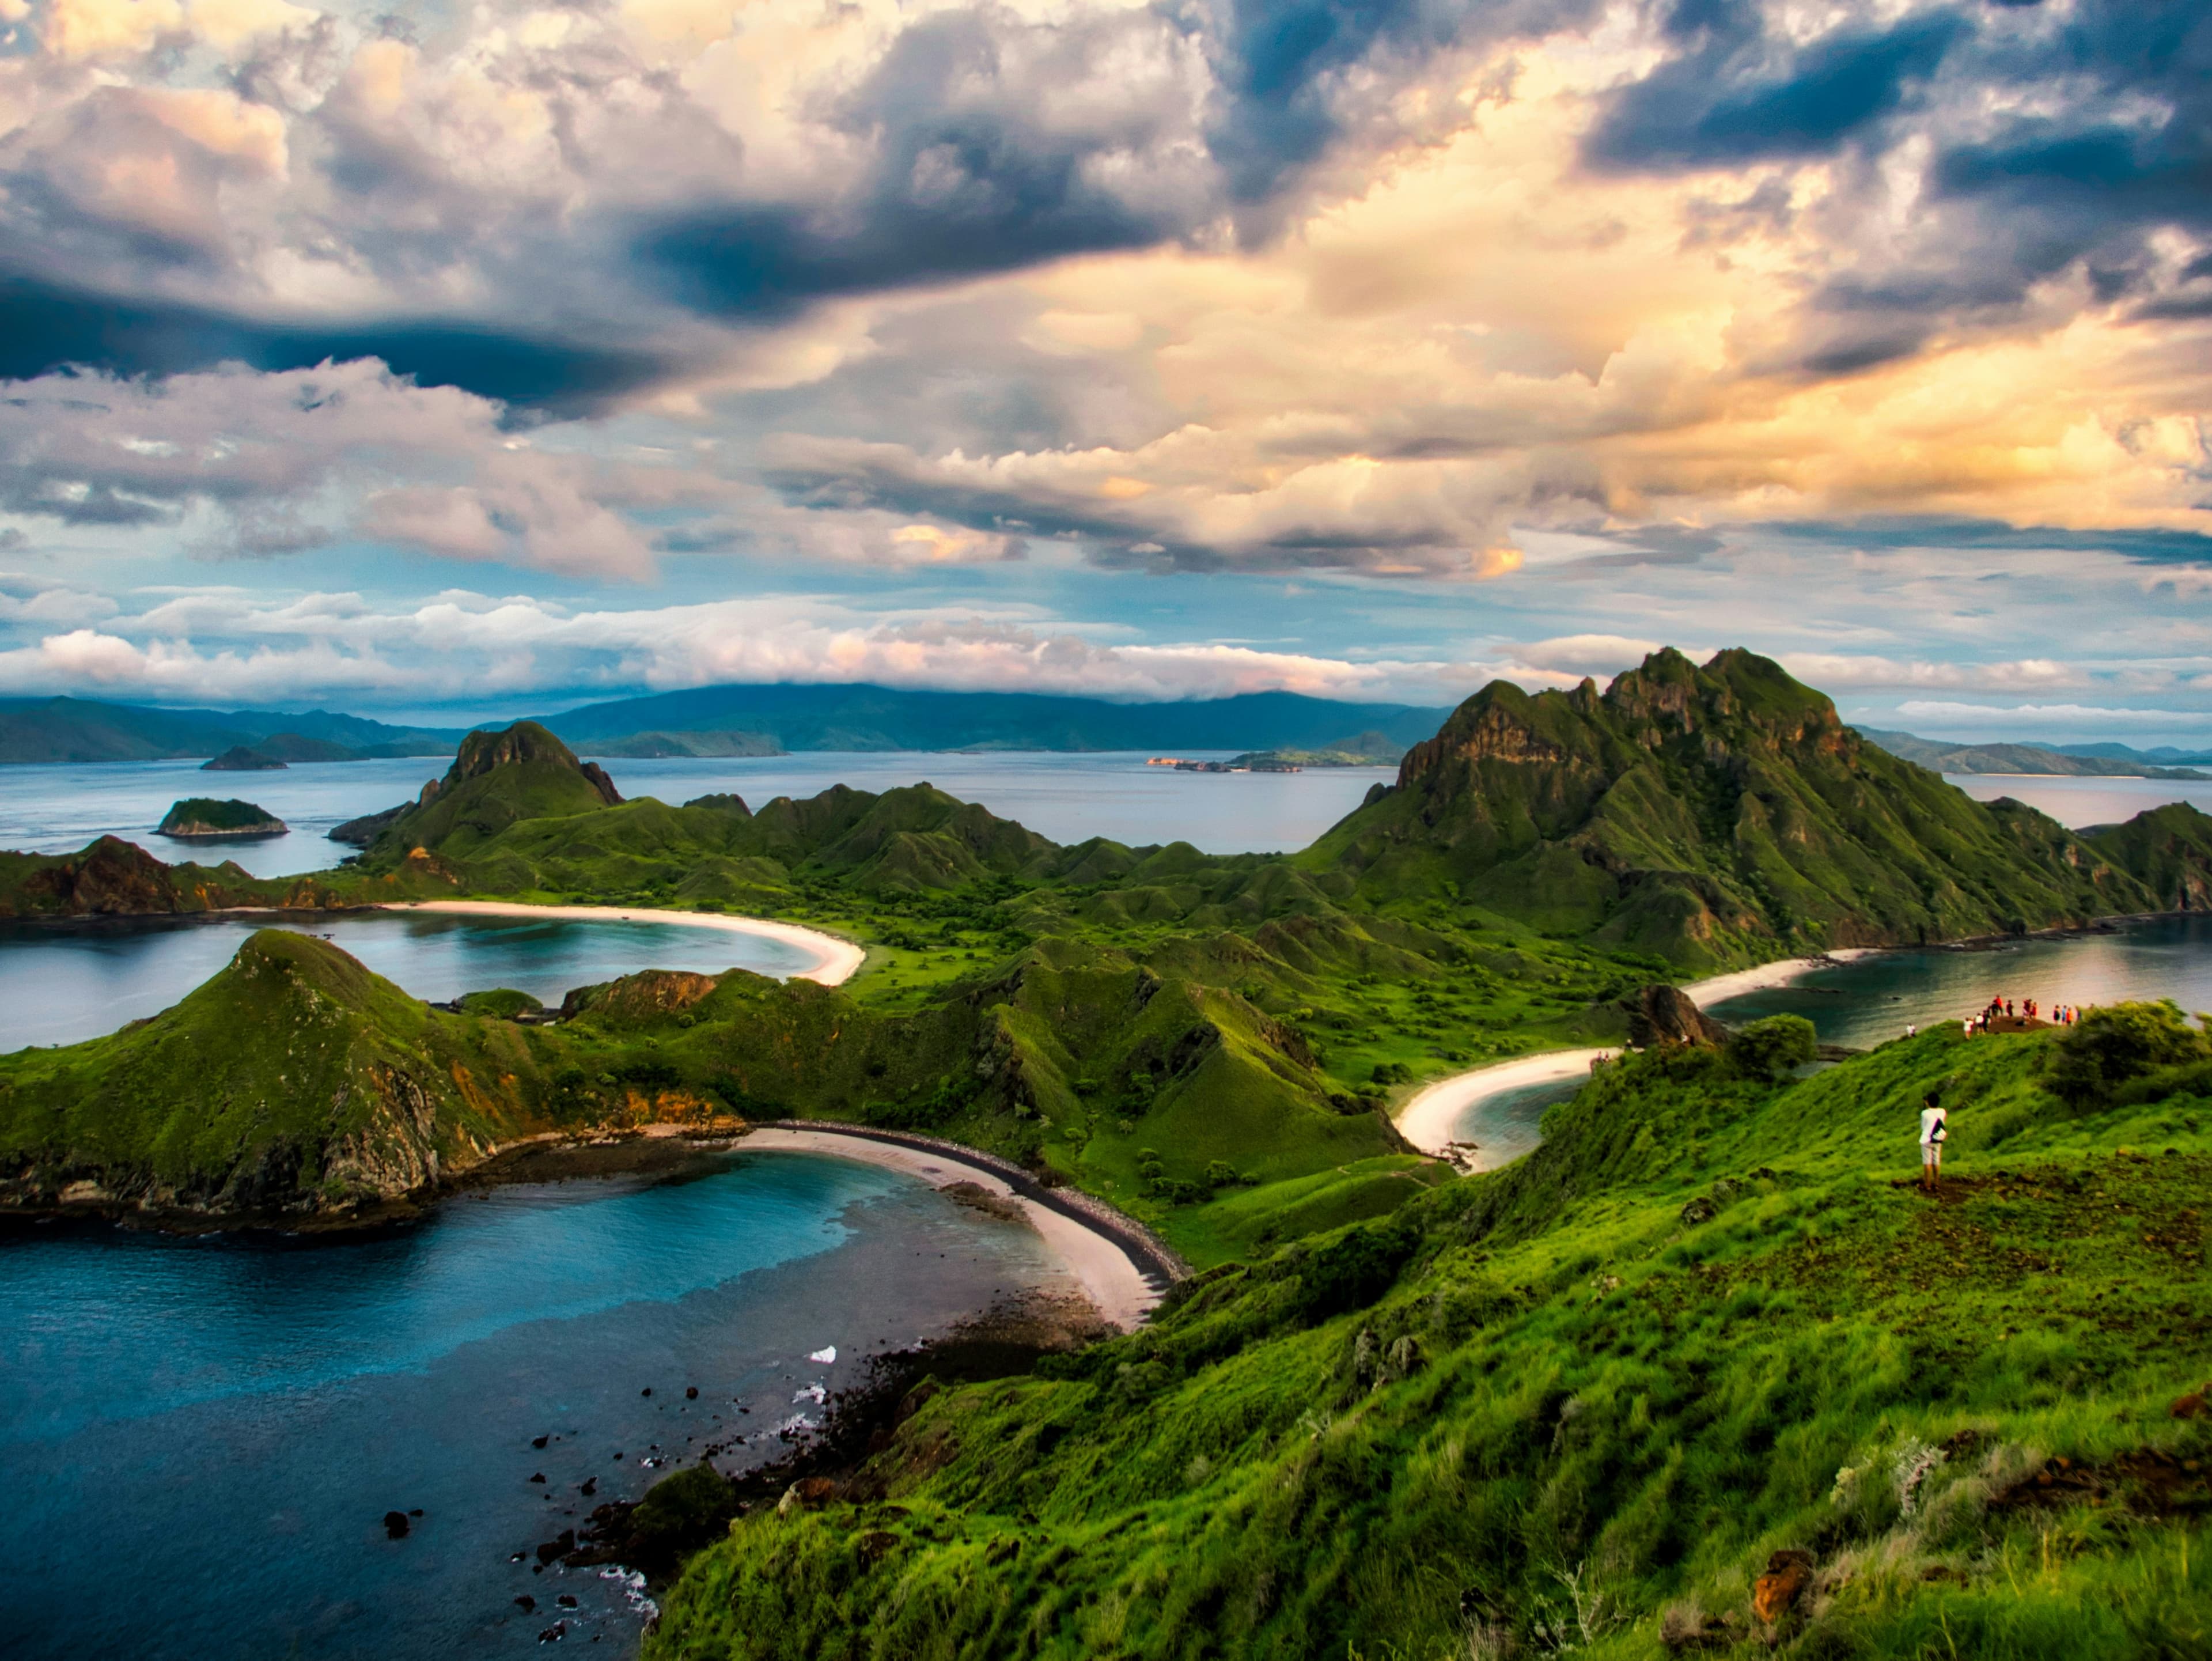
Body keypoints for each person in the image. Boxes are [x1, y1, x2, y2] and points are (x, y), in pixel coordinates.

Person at [1919, 1094, 1948, 1191]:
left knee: (1927, 1162)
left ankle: (1927, 1185)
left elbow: (1923, 1127)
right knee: (1936, 1161)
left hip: (1926, 1139)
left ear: (1928, 1102)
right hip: (1938, 1138)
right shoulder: (1943, 1111)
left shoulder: (1925, 1113)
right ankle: (1936, 1184)